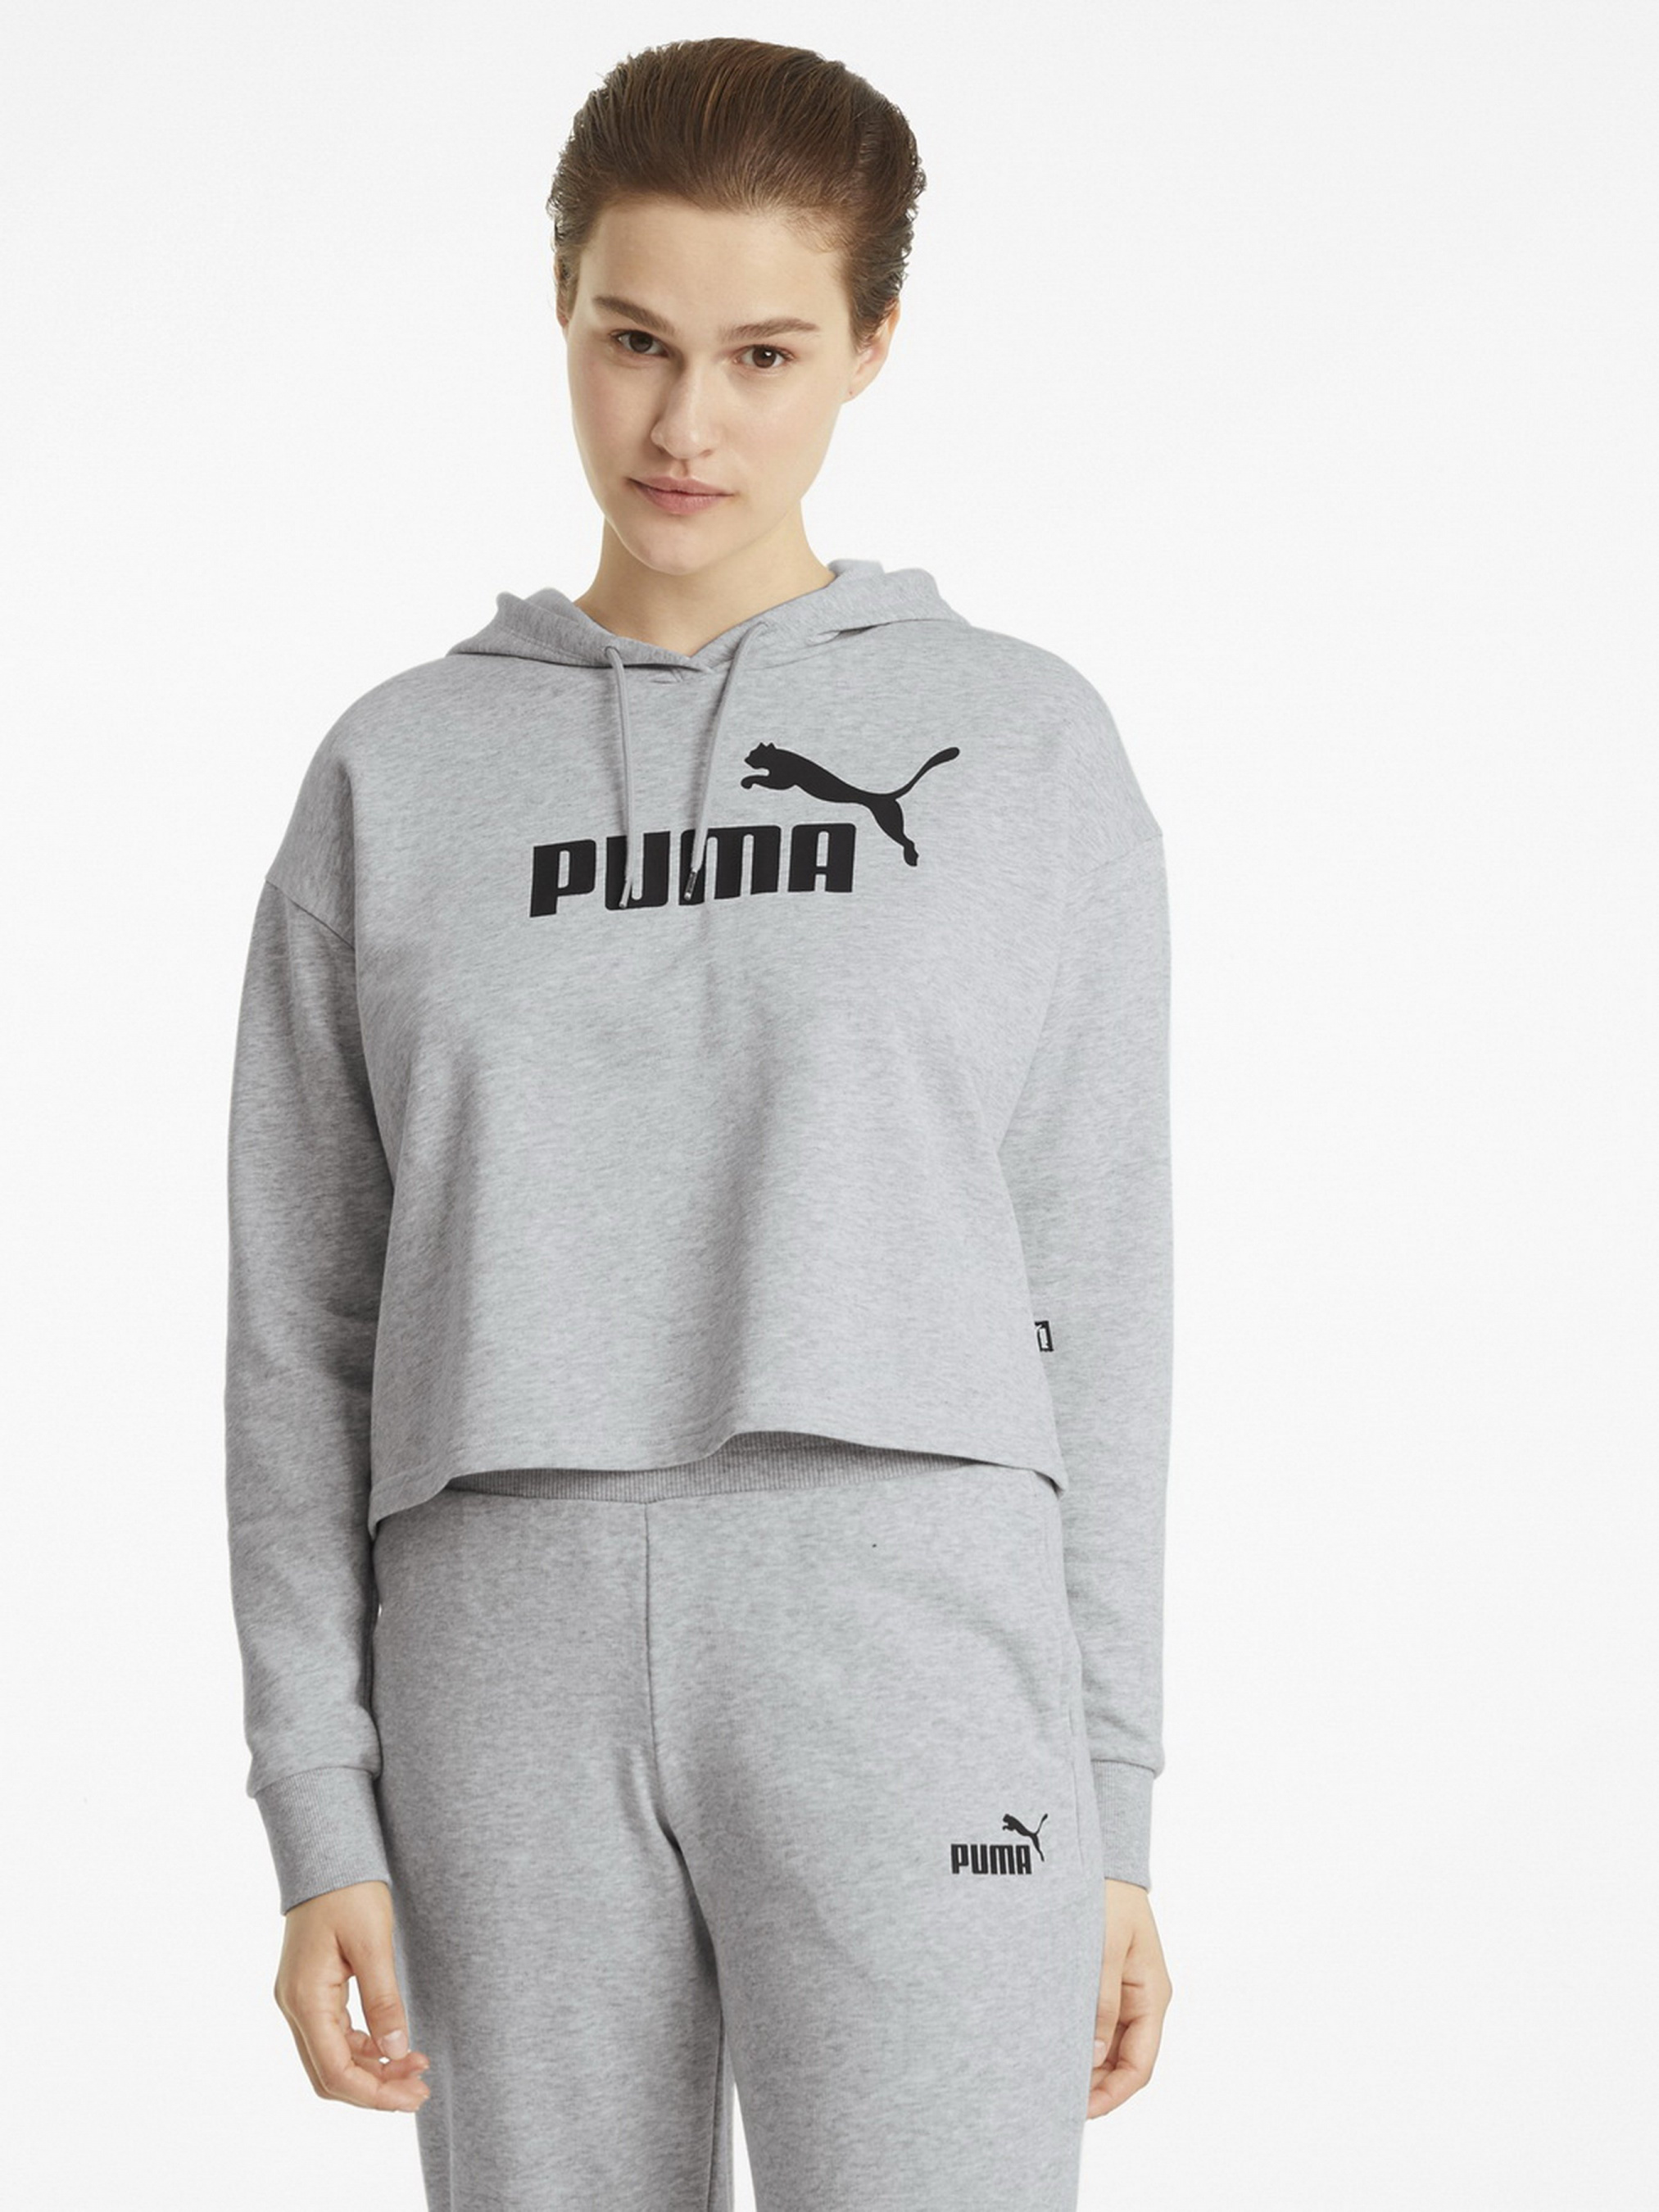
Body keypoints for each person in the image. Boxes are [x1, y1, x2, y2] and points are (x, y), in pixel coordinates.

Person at [224, 33, 1175, 2211]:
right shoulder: (397, 772)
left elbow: (1094, 1288)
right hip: (500, 1651)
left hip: (912, 1630)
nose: (685, 424)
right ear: (558, 307)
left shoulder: (1020, 749)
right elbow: (301, 1326)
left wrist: (1111, 1805)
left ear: (871, 344)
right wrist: (316, 1800)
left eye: (763, 354)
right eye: (632, 339)